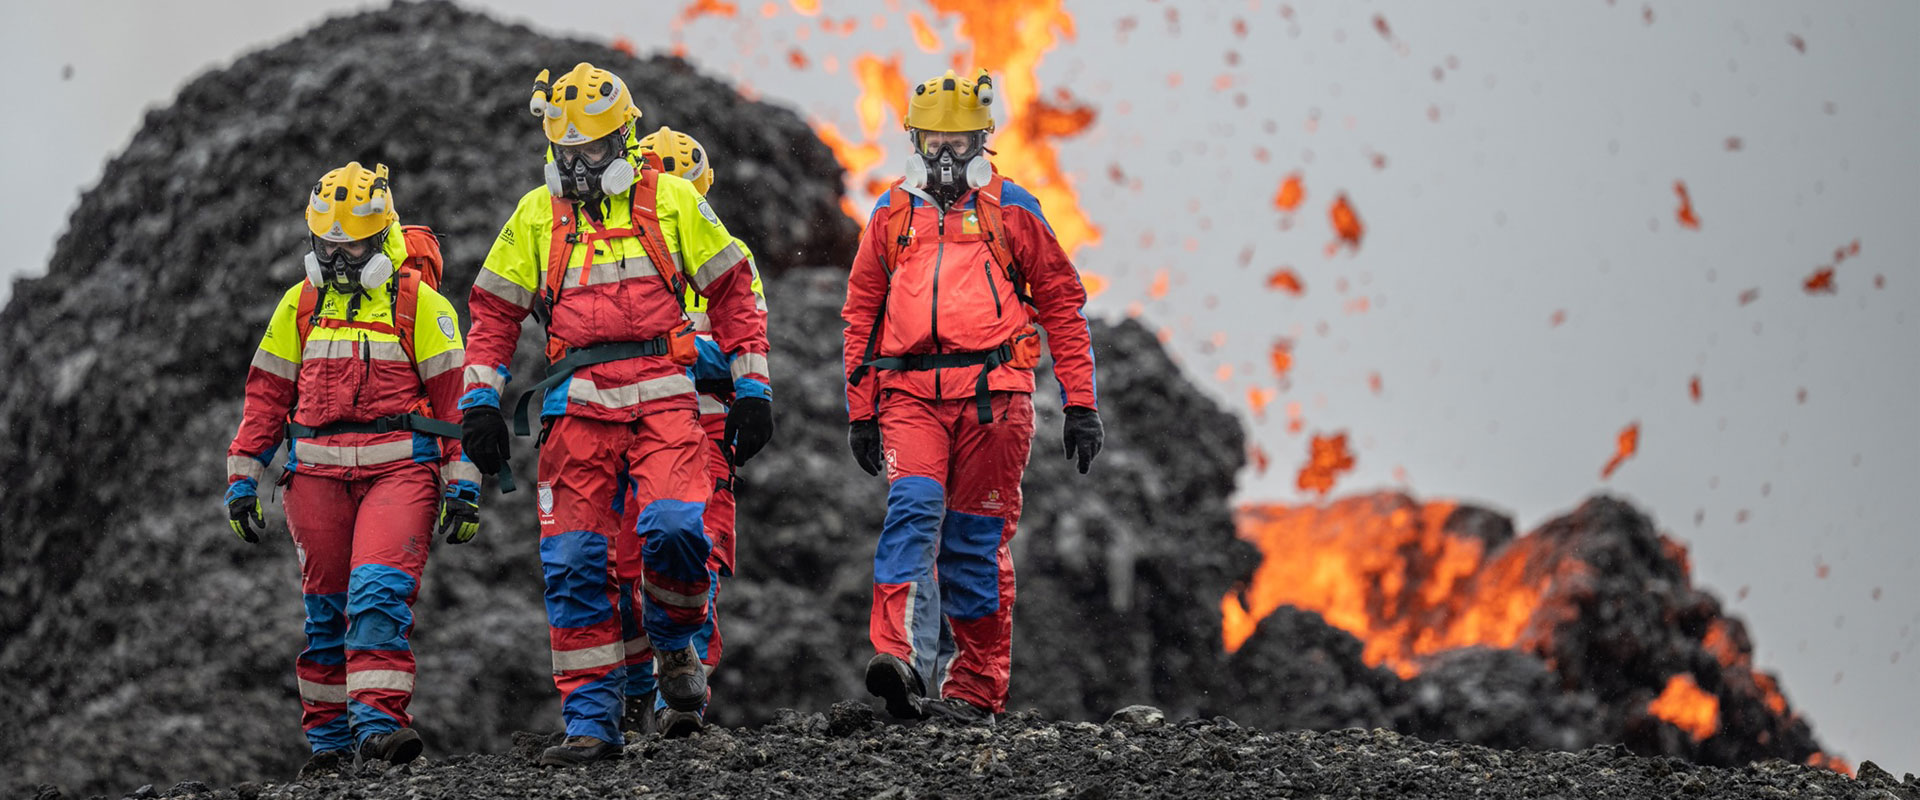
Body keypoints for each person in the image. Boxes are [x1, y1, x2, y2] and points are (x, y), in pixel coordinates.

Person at [457, 63, 772, 765]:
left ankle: (674, 643)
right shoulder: (536, 216)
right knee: (574, 561)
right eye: (566, 151)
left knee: (676, 531)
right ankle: (591, 725)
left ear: (624, 141)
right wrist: (479, 400)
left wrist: (753, 388)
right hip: (578, 406)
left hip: (666, 397)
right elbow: (492, 317)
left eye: (592, 150)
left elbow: (734, 294)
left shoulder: (674, 204)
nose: (578, 163)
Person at [841, 69, 1105, 725]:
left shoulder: (1014, 209)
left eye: (960, 139)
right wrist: (863, 411)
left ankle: (976, 690)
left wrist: (1081, 404)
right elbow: (861, 314)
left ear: (984, 139)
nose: (946, 152)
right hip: (910, 398)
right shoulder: (890, 215)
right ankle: (901, 661)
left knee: (972, 544)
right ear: (914, 137)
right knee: (912, 509)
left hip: (995, 401)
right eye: (934, 137)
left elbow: (1063, 307)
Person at [224, 161, 479, 771]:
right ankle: (330, 746)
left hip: (400, 473)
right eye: (327, 246)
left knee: (377, 594)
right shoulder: (300, 305)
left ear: (381, 237)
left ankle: (378, 727)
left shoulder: (423, 306)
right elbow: (266, 395)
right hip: (314, 478)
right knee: (326, 610)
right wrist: (242, 475)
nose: (338, 259)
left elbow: (456, 404)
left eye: (352, 246)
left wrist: (462, 484)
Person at [605, 125, 765, 738]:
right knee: (617, 569)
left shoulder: (731, 259)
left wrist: (670, 350)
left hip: (706, 434)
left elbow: (743, 348)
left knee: (691, 555)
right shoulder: (614, 251)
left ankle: (682, 710)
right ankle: (631, 698)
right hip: (622, 428)